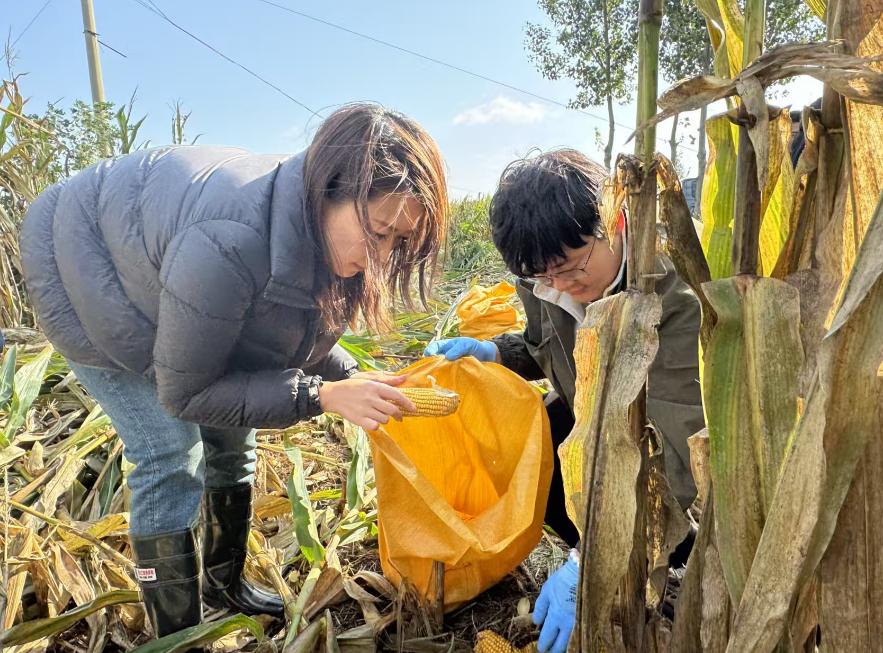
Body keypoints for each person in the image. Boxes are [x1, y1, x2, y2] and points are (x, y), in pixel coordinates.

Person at [19, 104, 448, 642]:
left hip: (174, 281)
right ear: (328, 193)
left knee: (233, 442)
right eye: (380, 233)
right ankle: (177, 632)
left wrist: (356, 374)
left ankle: (224, 584)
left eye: (398, 243)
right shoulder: (230, 240)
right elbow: (187, 391)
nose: (383, 258)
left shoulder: (315, 238)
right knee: (170, 451)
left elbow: (291, 338)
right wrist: (323, 395)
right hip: (87, 280)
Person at [425, 149, 704, 653]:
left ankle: (652, 559)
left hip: (670, 472)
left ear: (616, 221)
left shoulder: (676, 298)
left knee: (654, 512)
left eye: (572, 269)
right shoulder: (544, 279)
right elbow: (546, 347)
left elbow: (677, 459)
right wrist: (493, 351)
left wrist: (591, 560)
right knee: (535, 438)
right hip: (591, 430)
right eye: (544, 278)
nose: (562, 288)